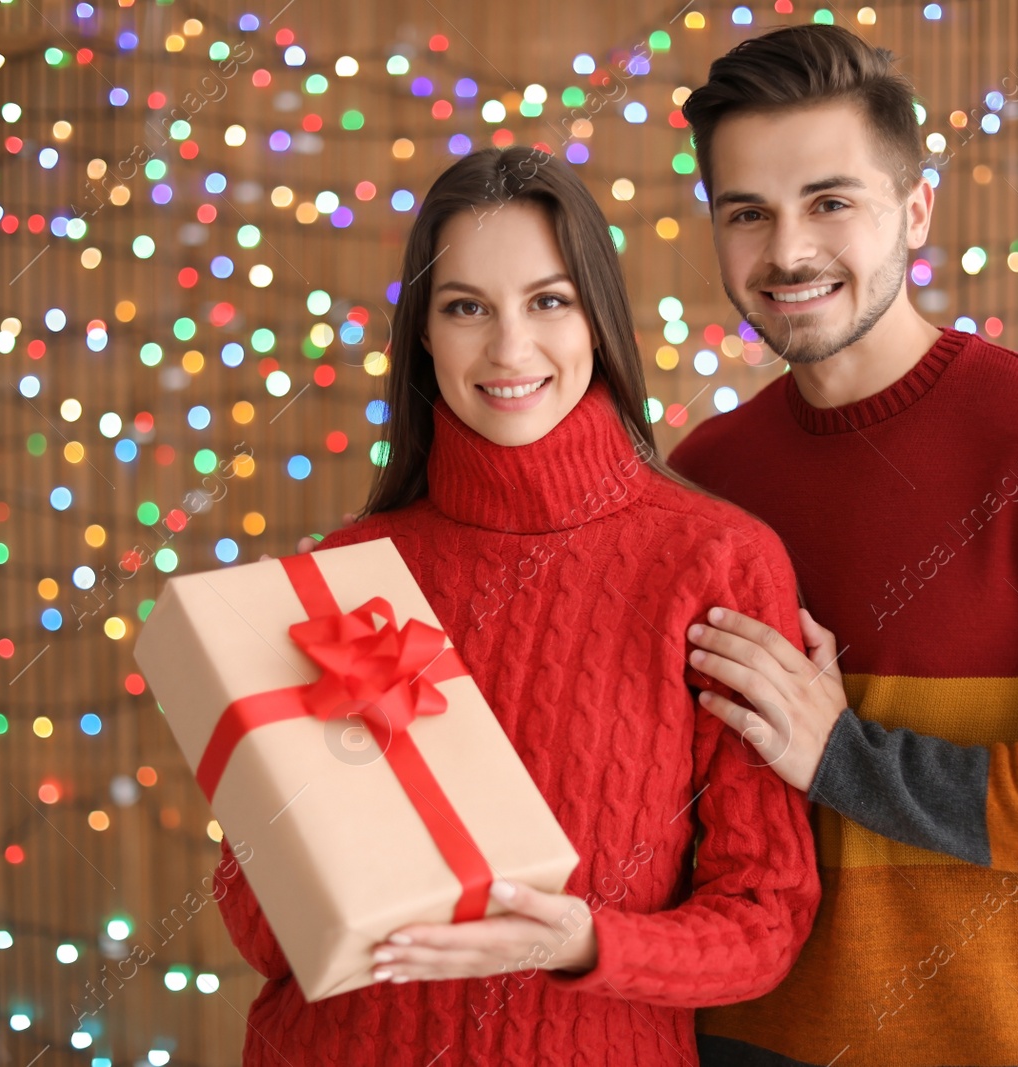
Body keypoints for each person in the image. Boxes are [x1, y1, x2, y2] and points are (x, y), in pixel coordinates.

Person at [668, 24, 1018, 1067]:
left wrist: (848, 760)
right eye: (746, 213)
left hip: (1008, 1045)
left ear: (915, 208)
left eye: (830, 200)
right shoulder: (705, 472)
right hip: (741, 1044)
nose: (787, 250)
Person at [210, 145, 821, 1066]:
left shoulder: (716, 562)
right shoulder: (344, 575)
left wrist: (581, 942)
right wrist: (266, 749)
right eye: (466, 308)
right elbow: (263, 937)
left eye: (549, 300)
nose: (508, 348)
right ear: (423, 332)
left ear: (598, 320)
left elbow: (764, 921)